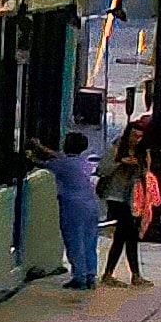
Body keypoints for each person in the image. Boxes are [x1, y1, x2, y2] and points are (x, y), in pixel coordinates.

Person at [49, 121, 102, 290]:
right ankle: (90, 274)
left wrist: (32, 152)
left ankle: (79, 276)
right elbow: (58, 157)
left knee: (74, 239)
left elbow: (46, 162)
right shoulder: (84, 162)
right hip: (91, 204)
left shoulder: (63, 164)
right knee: (89, 239)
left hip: (73, 206)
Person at [101, 130, 149, 286]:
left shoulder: (141, 152)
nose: (137, 140)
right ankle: (122, 274)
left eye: (140, 137)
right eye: (134, 136)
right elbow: (102, 170)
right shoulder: (115, 149)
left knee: (127, 236)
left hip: (132, 198)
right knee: (126, 235)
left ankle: (127, 274)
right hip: (116, 197)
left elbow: (145, 174)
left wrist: (140, 165)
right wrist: (121, 162)